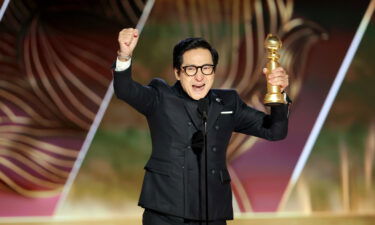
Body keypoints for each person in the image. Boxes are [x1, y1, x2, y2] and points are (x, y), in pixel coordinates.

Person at [113, 28, 290, 225]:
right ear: (177, 72)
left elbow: (275, 131)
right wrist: (124, 55)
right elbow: (125, 90)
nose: (199, 77)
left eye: (206, 68)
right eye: (191, 69)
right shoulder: (160, 97)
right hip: (165, 212)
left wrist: (279, 95)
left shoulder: (228, 103)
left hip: (211, 213)